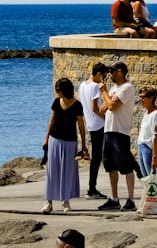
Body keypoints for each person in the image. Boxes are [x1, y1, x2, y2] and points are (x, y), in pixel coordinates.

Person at [96, 61, 138, 211]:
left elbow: (112, 106)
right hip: (108, 130)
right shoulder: (114, 89)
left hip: (120, 132)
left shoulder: (127, 88)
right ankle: (114, 198)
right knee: (110, 165)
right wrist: (108, 96)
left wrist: (105, 92)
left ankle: (131, 199)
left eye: (112, 72)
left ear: (120, 72)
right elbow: (102, 109)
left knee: (126, 166)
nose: (110, 75)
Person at [42, 77, 88, 214]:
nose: (57, 93)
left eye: (59, 90)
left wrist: (84, 145)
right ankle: (48, 202)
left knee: (67, 172)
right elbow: (51, 122)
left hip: (70, 142)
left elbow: (81, 126)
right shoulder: (57, 102)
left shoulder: (77, 105)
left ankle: (65, 201)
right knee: (52, 171)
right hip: (54, 140)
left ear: (64, 90)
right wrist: (46, 139)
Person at [78, 62, 109, 199]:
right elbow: (94, 108)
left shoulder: (82, 85)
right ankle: (92, 189)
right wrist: (107, 117)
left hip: (91, 124)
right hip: (99, 124)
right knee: (99, 157)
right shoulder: (95, 87)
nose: (104, 80)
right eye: (104, 76)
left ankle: (92, 188)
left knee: (96, 157)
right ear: (98, 74)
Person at [136, 86, 157, 177]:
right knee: (146, 179)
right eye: (140, 97)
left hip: (149, 149)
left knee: (153, 179)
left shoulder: (156, 114)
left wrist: (154, 156)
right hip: (142, 147)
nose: (141, 99)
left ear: (151, 98)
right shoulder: (147, 113)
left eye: (143, 97)